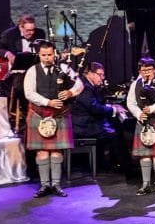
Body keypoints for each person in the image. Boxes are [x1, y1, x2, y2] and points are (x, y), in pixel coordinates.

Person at [23, 41, 83, 198]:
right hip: (39, 113)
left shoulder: (63, 68)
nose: (47, 58)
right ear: (39, 55)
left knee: (56, 151)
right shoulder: (32, 71)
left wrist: (70, 93)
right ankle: (44, 185)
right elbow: (29, 93)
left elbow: (80, 84)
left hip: (60, 114)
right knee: (42, 152)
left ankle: (56, 184)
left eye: (49, 55)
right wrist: (47, 102)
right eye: (43, 55)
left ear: (54, 53)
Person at [70, 61, 129, 174]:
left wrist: (110, 106)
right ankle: (123, 167)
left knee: (115, 127)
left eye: (103, 75)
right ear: (90, 73)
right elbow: (94, 108)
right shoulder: (85, 87)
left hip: (88, 123)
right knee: (114, 135)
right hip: (83, 127)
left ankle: (115, 163)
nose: (102, 78)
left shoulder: (88, 85)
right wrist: (114, 110)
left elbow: (95, 104)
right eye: (100, 74)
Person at [126, 57, 155, 196]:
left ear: (154, 70)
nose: (146, 73)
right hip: (143, 122)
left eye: (149, 70)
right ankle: (145, 184)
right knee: (144, 155)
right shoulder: (135, 84)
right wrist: (139, 114)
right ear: (139, 71)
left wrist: (153, 108)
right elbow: (131, 102)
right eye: (143, 70)